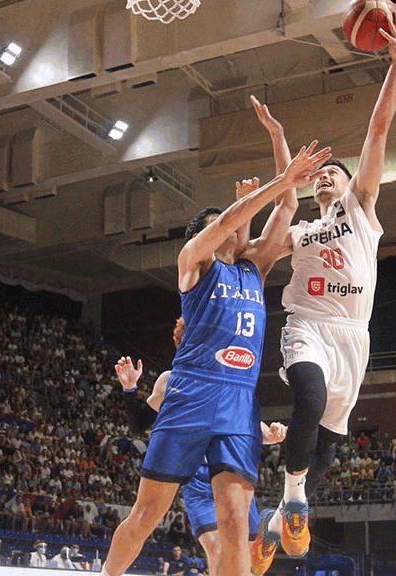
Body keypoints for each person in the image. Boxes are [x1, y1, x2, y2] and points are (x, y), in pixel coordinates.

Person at [100, 140, 332, 576]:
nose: (233, 229)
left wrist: (285, 160)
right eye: (223, 227)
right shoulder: (194, 262)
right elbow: (231, 218)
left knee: (236, 523)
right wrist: (274, 185)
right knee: (147, 514)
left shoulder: (253, 269)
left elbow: (284, 212)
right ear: (205, 236)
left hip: (238, 401)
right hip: (192, 393)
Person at [253, 6, 396, 567]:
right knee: (309, 399)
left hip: (354, 335)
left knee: (327, 447)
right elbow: (254, 251)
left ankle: (276, 520)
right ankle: (293, 502)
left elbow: (378, 129)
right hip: (308, 327)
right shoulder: (300, 231)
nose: (326, 175)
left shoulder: (361, 208)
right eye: (320, 172)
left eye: (332, 172)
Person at [115, 315, 287, 575]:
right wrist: (130, 389)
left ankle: (270, 530)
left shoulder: (233, 379)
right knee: (216, 547)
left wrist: (270, 433)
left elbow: (248, 425)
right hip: (200, 483)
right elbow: (140, 423)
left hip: (231, 476)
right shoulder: (172, 379)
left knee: (248, 563)